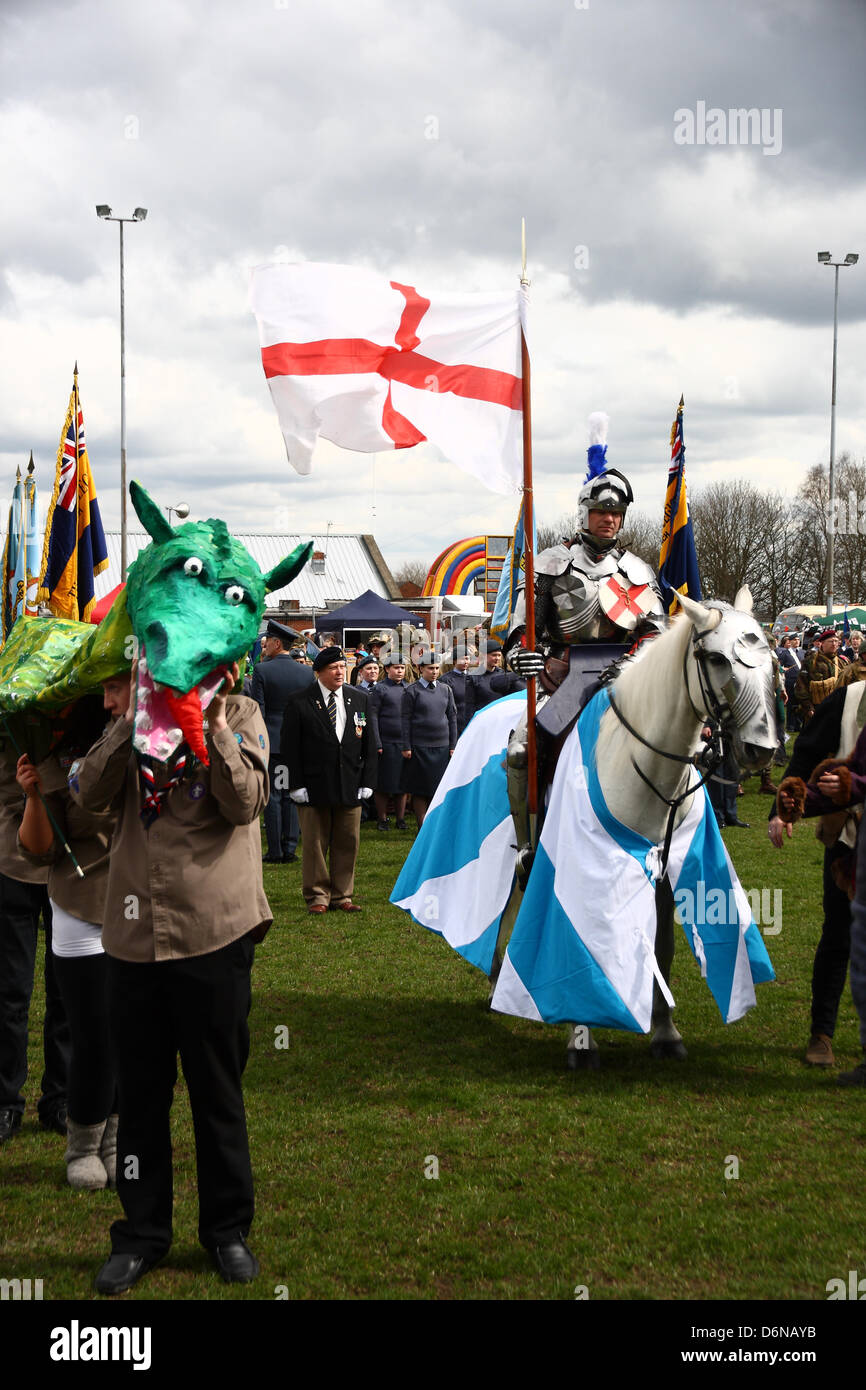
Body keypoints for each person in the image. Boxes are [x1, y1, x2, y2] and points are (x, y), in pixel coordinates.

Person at [70, 660, 271, 1294]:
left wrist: (206, 719)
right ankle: (141, 1233)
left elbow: (244, 803)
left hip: (214, 929)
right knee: (141, 1099)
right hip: (134, 938)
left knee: (217, 1091)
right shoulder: (131, 724)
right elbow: (86, 797)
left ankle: (227, 1231)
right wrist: (134, 715)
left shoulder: (239, 713)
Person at [503, 419, 666, 875]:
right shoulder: (550, 565)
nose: (609, 520)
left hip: (625, 679)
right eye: (601, 512)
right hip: (562, 676)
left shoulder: (638, 570)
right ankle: (526, 843)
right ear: (584, 514)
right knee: (520, 751)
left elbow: (656, 632)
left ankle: (666, 838)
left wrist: (634, 663)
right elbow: (520, 629)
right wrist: (522, 654)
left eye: (616, 513)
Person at [15, 684, 126, 1188]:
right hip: (82, 907)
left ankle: (118, 1139)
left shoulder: (160, 739)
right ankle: (83, 1142)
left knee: (133, 1035)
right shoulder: (65, 753)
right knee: (92, 1036)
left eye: (119, 687)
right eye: (104, 690)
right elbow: (39, 850)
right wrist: (35, 797)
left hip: (144, 909)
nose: (111, 699)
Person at [769, 680, 863, 1067]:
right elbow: (808, 751)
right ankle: (822, 1033)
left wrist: (850, 784)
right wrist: (784, 806)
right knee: (838, 935)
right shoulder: (851, 697)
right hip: (848, 836)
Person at [0, 732, 70, 1145]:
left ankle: (59, 1097)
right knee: (10, 990)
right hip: (11, 852)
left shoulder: (79, 695)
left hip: (66, 854)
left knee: (66, 988)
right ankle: (7, 1100)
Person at [281, 647, 377, 913]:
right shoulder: (300, 701)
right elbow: (290, 747)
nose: (340, 672)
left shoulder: (359, 699)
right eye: (334, 667)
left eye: (343, 666)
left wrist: (368, 780)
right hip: (314, 784)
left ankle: (341, 895)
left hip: (350, 782)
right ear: (319, 672)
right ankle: (317, 896)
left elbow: (369, 744)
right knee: (315, 843)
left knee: (348, 840)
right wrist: (295, 784)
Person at [251, 618, 313, 864]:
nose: (264, 648)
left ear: (277, 643)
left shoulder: (262, 670)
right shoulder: (306, 672)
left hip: (273, 741)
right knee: (291, 793)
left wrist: (259, 741)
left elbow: (259, 711)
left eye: (267, 644)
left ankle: (275, 849)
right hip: (296, 741)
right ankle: (290, 847)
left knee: (274, 796)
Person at [400, 655, 458, 827]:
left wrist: (453, 745)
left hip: (441, 747)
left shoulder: (446, 689)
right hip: (419, 747)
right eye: (430, 668)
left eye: (436, 668)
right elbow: (405, 720)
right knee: (420, 790)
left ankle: (434, 827)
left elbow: (452, 718)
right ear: (420, 669)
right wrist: (406, 745)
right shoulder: (411, 691)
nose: (434, 672)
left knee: (437, 789)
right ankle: (422, 827)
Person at [368, 657, 411, 830]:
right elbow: (373, 716)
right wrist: (377, 742)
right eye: (396, 668)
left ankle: (400, 818)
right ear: (387, 669)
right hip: (386, 742)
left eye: (402, 668)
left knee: (403, 783)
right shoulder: (380, 689)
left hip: (404, 743)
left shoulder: (409, 688)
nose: (399, 671)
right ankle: (382, 818)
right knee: (384, 784)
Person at [794, 628, 844, 723]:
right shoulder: (810, 662)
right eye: (830, 641)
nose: (834, 644)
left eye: (836, 641)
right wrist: (809, 709)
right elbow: (801, 687)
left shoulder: (843, 663)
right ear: (822, 643)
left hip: (837, 710)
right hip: (817, 710)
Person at [471, 640, 524, 711]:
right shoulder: (473, 677)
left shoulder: (504, 674)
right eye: (494, 655)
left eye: (499, 655)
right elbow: (469, 704)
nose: (497, 658)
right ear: (484, 655)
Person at [440, 647, 477, 736]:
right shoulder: (446, 680)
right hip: (454, 725)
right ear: (454, 661)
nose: (465, 662)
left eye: (467, 659)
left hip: (472, 723)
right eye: (461, 659)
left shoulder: (475, 677)